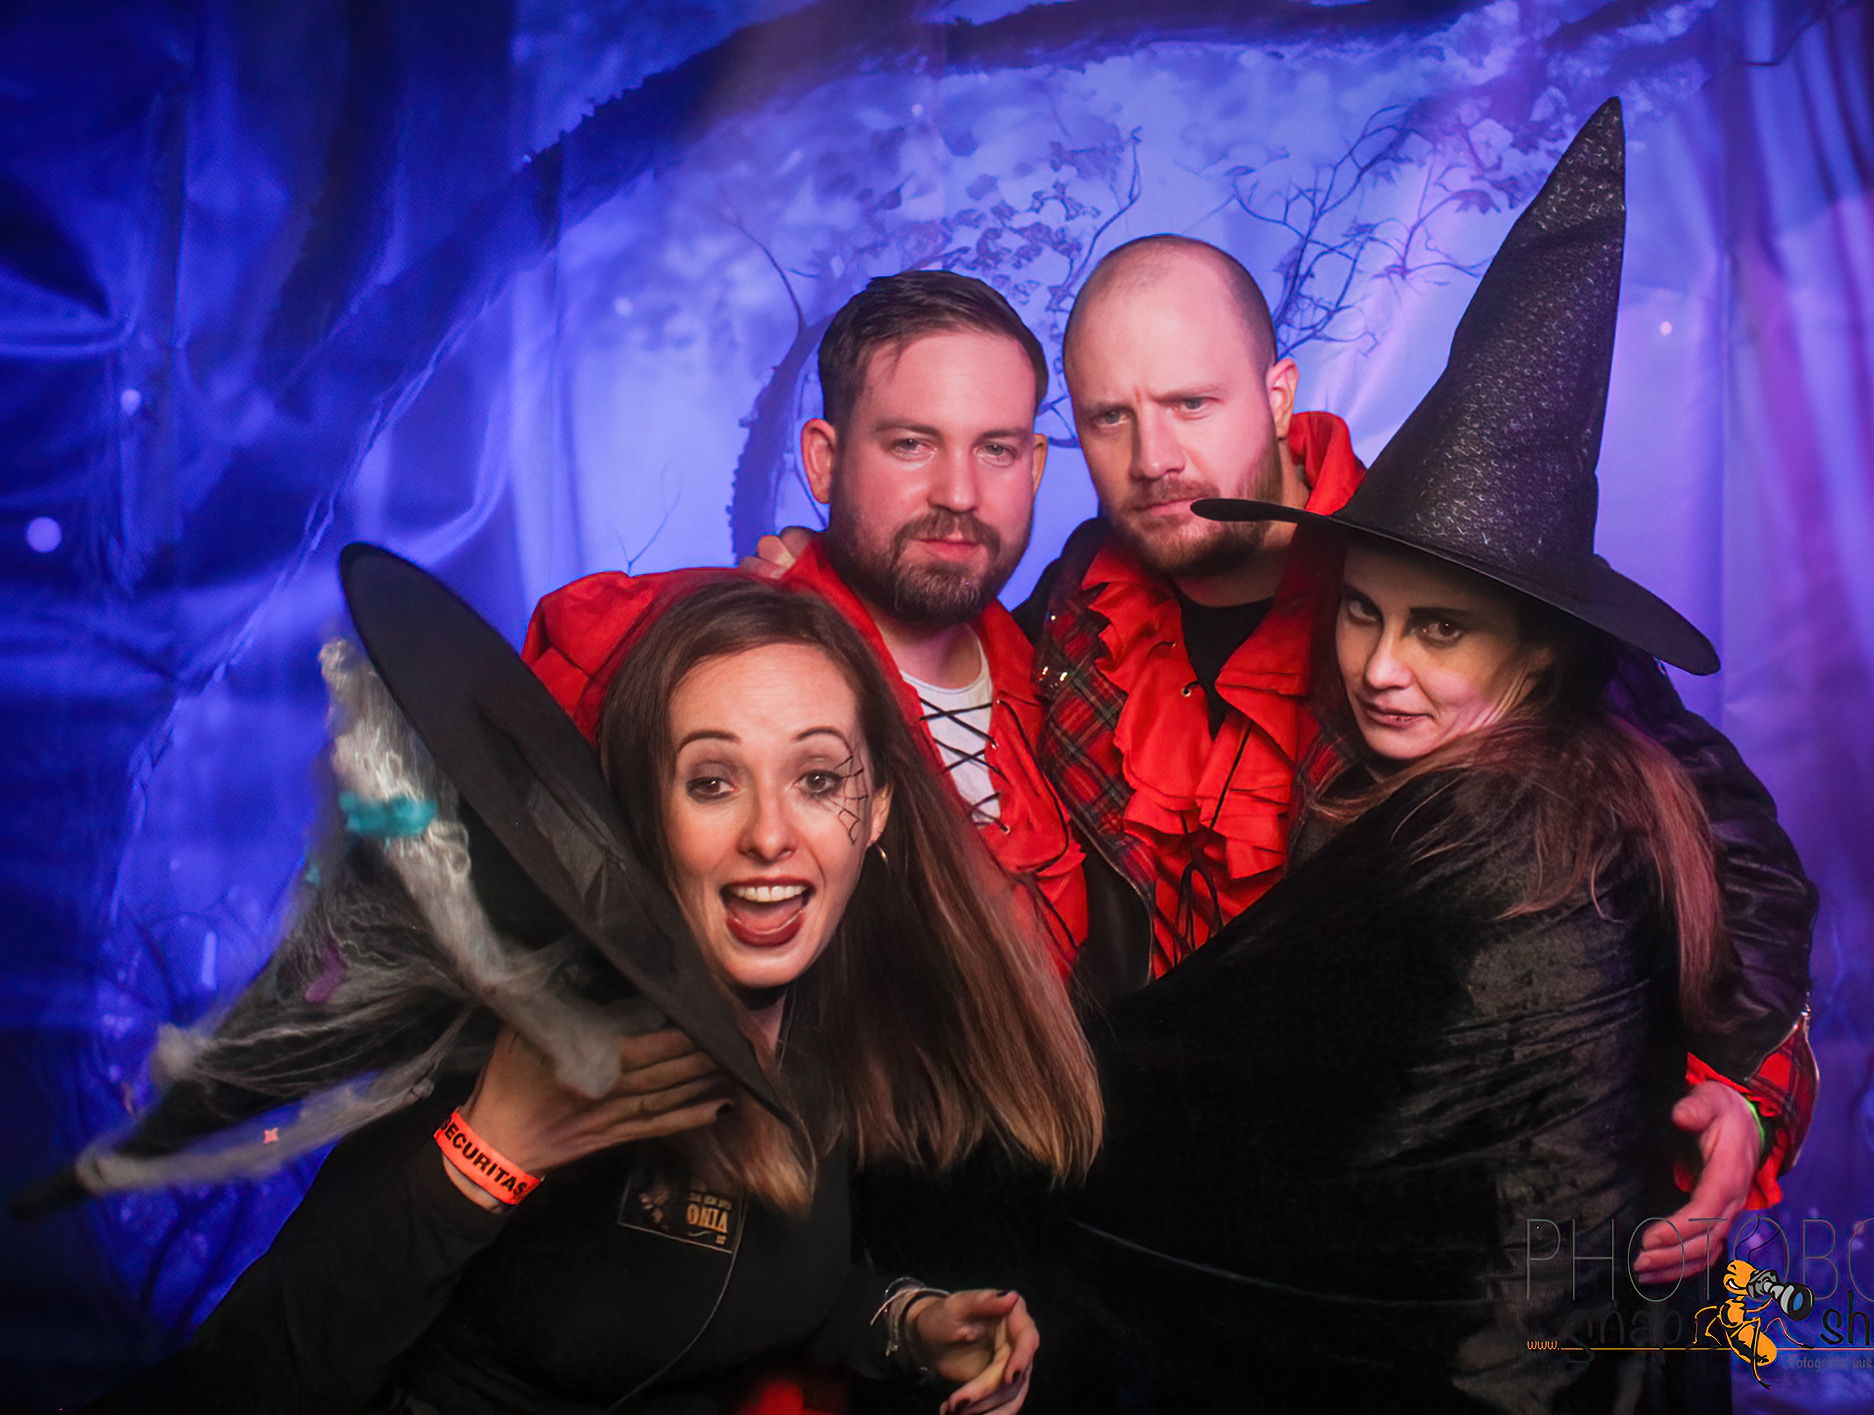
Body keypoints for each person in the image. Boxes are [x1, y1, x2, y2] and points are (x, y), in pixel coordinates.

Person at [1054, 97, 1755, 1410]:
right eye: (1107, 415)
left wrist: (1738, 1082)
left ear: (1276, 394)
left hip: (1416, 1252)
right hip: (1175, 1236)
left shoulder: (1460, 553)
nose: (1154, 458)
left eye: (1191, 401)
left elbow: (1712, 847)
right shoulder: (1063, 626)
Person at [84, 563, 1101, 1415]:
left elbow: (756, 1281)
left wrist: (904, 1322)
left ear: (874, 812)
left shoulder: (825, 1038)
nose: (769, 833)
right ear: (646, 814)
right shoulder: (525, 1025)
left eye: (818, 778)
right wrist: (491, 1150)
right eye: (712, 780)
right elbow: (248, 1381)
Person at [524, 271, 1090, 985]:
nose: (959, 493)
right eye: (912, 444)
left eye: (995, 450)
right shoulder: (689, 652)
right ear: (823, 462)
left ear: (1033, 468)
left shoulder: (1063, 677)